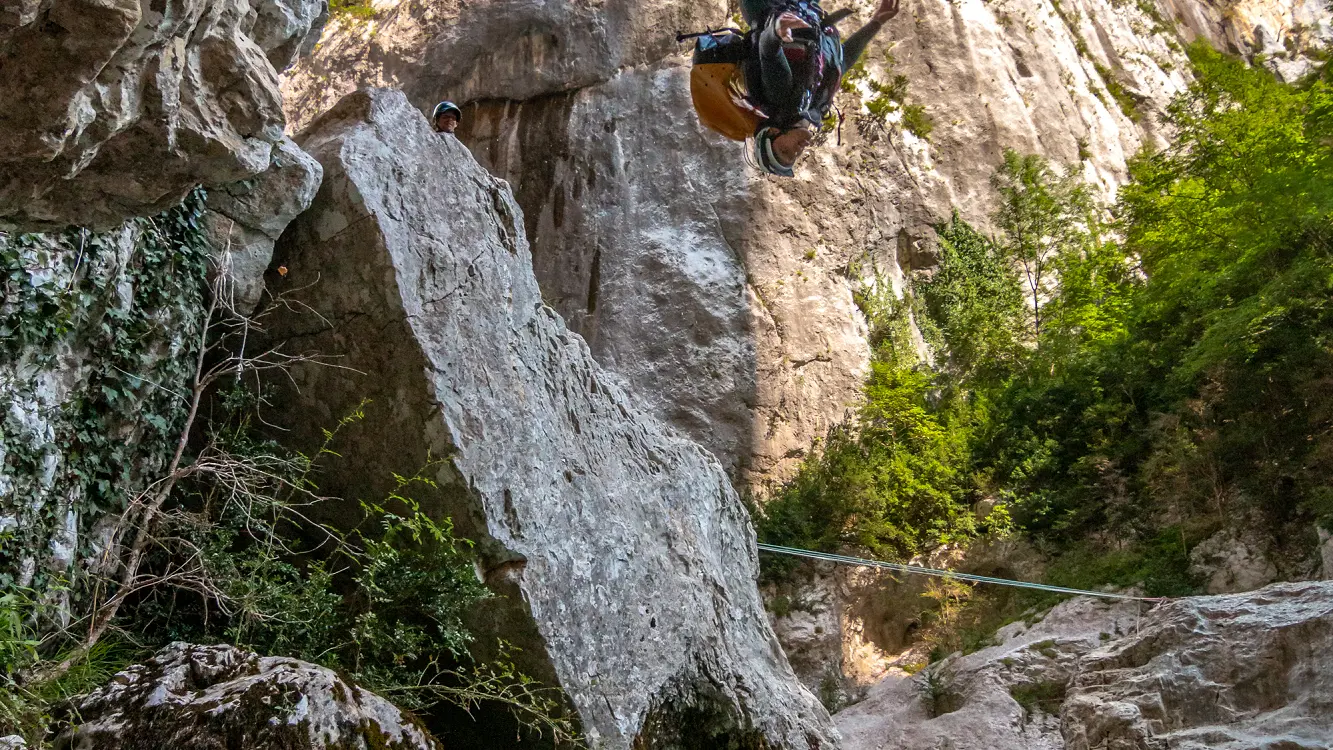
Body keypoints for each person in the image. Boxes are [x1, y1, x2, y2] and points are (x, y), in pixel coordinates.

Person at [740, 0, 902, 175]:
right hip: (805, 7)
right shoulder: (814, 106)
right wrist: (877, 22)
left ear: (773, 131)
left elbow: (768, 52)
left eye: (784, 151)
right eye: (793, 157)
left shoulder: (780, 97)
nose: (795, 152)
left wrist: (775, 30)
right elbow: (842, 62)